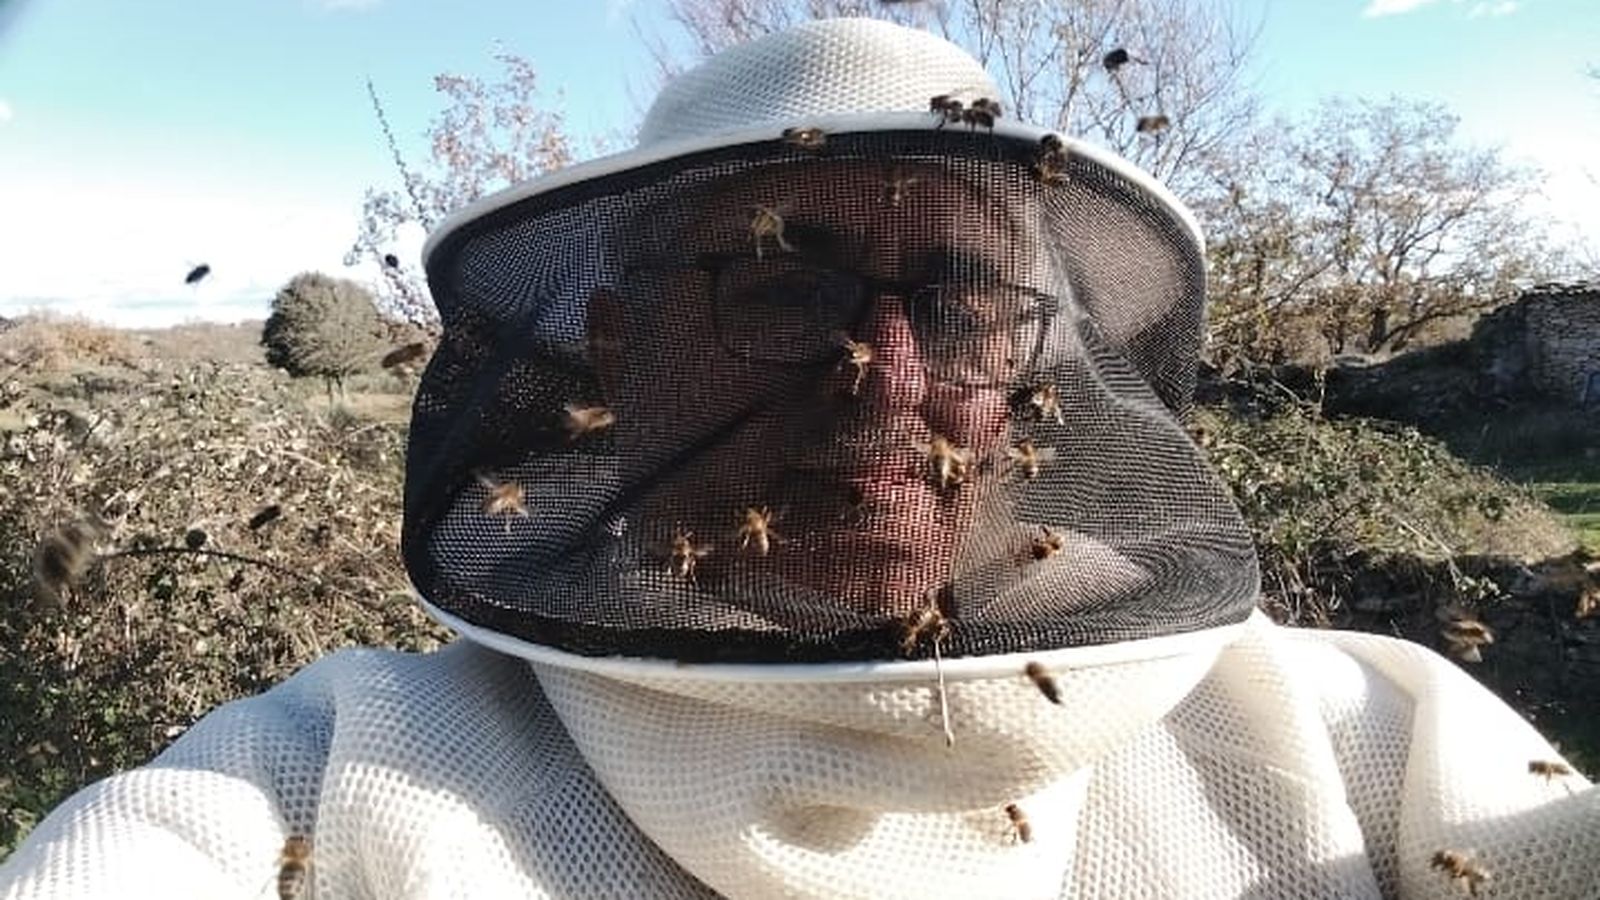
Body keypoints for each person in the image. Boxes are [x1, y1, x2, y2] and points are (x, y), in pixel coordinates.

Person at [2, 19, 1594, 900]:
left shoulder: (1366, 739)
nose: (885, 377)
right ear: (617, 352)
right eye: (778, 284)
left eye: (964, 302)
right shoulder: (332, 777)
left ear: (1043, 370)